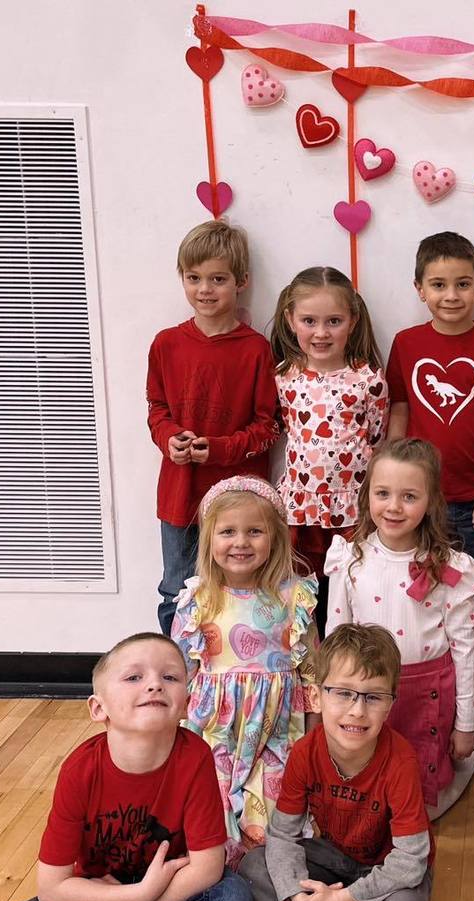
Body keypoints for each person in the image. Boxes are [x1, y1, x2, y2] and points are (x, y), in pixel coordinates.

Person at [0, 634, 252, 901]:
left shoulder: (195, 756)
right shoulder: (80, 771)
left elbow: (207, 868)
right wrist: (134, 899)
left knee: (232, 900)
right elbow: (52, 887)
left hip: (172, 892)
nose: (153, 684)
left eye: (170, 677)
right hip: (105, 897)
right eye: (133, 678)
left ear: (186, 702)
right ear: (99, 708)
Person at [238, 624, 432, 901]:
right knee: (253, 864)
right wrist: (299, 896)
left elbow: (410, 860)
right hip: (335, 861)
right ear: (316, 695)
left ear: (390, 704)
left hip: (386, 871)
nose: (357, 710)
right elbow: (283, 835)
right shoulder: (305, 753)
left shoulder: (401, 762)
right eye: (343, 693)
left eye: (373, 697)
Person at [325, 439, 474, 818]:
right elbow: (335, 638)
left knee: (419, 780)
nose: (394, 507)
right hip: (367, 691)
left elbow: (465, 649)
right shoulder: (349, 559)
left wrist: (467, 724)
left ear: (430, 501)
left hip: (428, 692)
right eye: (383, 494)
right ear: (367, 497)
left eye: (409, 496)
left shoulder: (449, 568)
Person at [171, 476, 318, 863]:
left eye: (255, 531)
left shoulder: (294, 597)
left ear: (275, 538)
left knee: (271, 819)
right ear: (209, 539)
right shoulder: (197, 600)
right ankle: (217, 889)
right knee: (211, 816)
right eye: (228, 532)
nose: (240, 542)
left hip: (277, 732)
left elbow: (313, 670)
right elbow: (179, 671)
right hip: (215, 733)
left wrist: (316, 734)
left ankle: (266, 897)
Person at [147, 220, 280, 635]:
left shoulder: (255, 348)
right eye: (194, 278)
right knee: (177, 589)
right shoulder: (166, 344)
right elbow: (157, 408)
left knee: (242, 590)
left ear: (241, 282)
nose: (205, 289)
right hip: (180, 494)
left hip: (239, 499)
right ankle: (180, 677)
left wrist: (220, 449)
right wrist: (169, 438)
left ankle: (239, 672)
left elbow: (268, 427)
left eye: (217, 279)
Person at [386, 231, 474, 580]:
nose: (451, 295)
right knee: (422, 598)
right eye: (438, 285)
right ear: (420, 289)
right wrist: (394, 483)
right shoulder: (406, 343)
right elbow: (398, 412)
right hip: (420, 501)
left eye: (462, 284)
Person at [270, 266, 388, 636]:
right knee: (302, 591)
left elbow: (376, 434)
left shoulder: (368, 378)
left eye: (333, 321)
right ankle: (308, 663)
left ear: (352, 320)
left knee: (352, 585)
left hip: (352, 506)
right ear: (291, 320)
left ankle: (351, 657)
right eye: (309, 321)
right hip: (300, 508)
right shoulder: (284, 376)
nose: (321, 333)